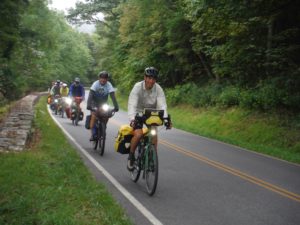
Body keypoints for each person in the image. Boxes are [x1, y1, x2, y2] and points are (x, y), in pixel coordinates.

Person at [127, 66, 172, 171]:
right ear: (145, 78)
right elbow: (132, 103)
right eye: (149, 78)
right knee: (138, 135)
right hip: (138, 112)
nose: (151, 81)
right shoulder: (137, 87)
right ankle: (131, 156)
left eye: (153, 79)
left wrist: (166, 119)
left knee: (154, 136)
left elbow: (162, 105)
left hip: (152, 113)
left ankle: (151, 159)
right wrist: (132, 119)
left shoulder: (158, 89)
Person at [87, 71, 119, 141]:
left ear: (107, 79)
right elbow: (90, 95)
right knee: (93, 115)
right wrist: (89, 105)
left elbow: (112, 96)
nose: (103, 80)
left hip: (103, 103)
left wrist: (116, 106)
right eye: (102, 78)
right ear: (99, 78)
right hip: (94, 102)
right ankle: (93, 134)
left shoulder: (109, 85)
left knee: (107, 114)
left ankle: (103, 127)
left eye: (105, 78)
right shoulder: (95, 84)